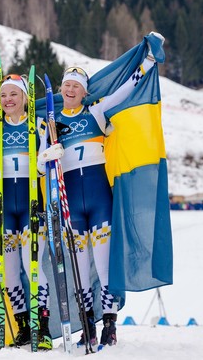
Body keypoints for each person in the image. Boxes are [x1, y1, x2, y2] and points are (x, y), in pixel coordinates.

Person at [37, 32, 165, 347]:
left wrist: (148, 60)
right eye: (66, 85)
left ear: (83, 92)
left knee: (104, 266)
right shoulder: (51, 124)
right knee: (80, 269)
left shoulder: (95, 112)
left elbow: (125, 90)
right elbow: (41, 166)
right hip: (72, 206)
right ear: (61, 89)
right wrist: (47, 155)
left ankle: (109, 324)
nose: (70, 89)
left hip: (98, 198)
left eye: (76, 86)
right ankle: (86, 326)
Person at [0, 73, 53, 350]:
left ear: (26, 98)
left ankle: (44, 328)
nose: (7, 100)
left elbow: (45, 166)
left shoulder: (37, 126)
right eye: (3, 95)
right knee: (9, 274)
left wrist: (46, 158)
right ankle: (24, 326)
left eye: (13, 94)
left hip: (30, 206)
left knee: (32, 266)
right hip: (2, 207)